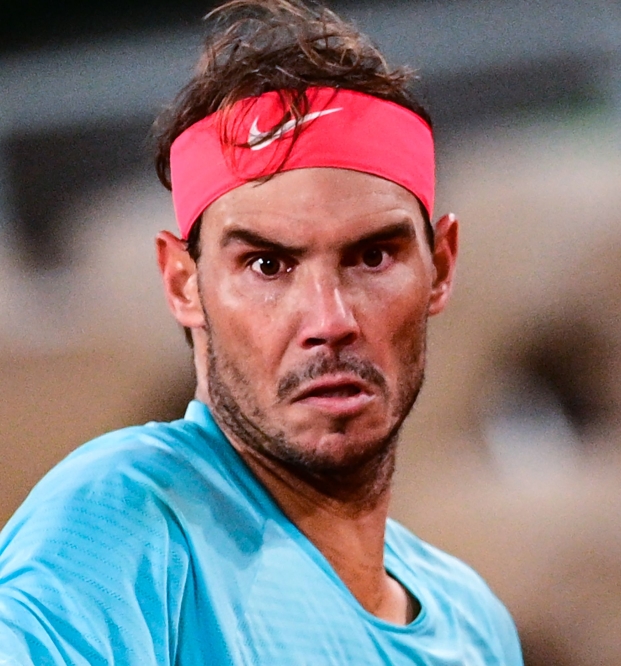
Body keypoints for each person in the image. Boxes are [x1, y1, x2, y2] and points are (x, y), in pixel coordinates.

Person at [0, 0, 523, 663]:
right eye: (267, 265)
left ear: (441, 266)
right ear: (183, 284)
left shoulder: (477, 626)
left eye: (372, 257)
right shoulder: (121, 521)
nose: (330, 322)